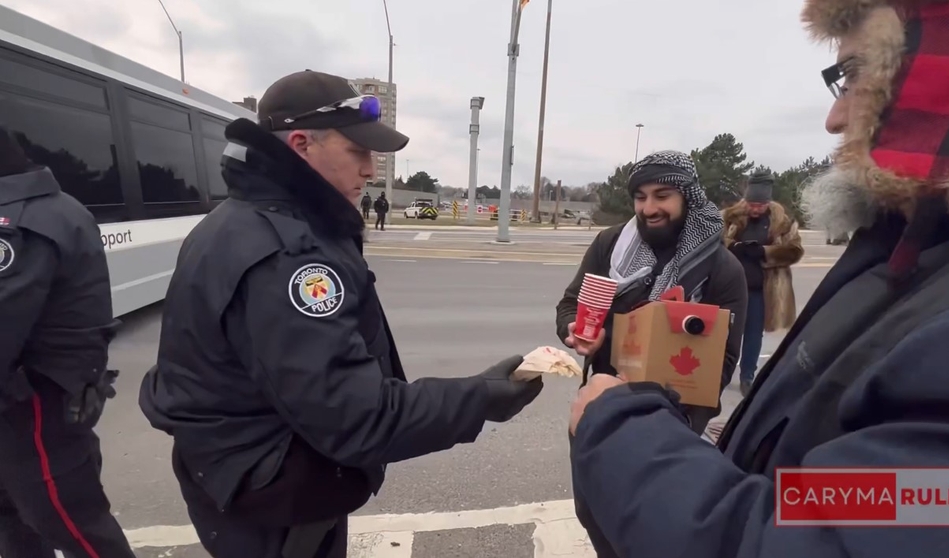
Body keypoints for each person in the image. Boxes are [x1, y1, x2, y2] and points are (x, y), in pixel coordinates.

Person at [567, 1, 949, 556]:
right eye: (640, 197)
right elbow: (837, 492)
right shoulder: (908, 253)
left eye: (851, 76)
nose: (834, 119)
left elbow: (834, 532)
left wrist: (628, 428)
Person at [138, 70, 543, 558]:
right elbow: (353, 416)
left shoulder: (239, 221)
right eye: (358, 152)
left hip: (240, 477)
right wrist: (478, 399)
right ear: (303, 144)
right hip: (275, 505)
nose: (370, 170)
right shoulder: (286, 255)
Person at [556, 150, 747, 558]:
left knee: (651, 529)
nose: (649, 208)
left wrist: (681, 418)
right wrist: (576, 331)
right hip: (599, 406)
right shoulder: (611, 246)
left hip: (671, 421)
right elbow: (572, 304)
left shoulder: (721, 268)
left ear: (688, 197)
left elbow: (723, 362)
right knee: (593, 513)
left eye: (662, 195)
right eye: (640, 197)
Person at [0, 128, 134, 558]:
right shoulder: (40, 209)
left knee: (75, 529)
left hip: (33, 408)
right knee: (19, 523)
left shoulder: (19, 223)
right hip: (37, 403)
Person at [722, 171, 803, 396]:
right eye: (751, 204)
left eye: (760, 205)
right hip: (731, 288)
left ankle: (747, 376)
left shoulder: (783, 222)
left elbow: (795, 251)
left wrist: (764, 252)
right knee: (725, 333)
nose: (755, 209)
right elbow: (714, 242)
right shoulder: (730, 217)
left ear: (768, 203)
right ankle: (720, 373)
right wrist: (734, 247)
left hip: (762, 290)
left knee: (753, 334)